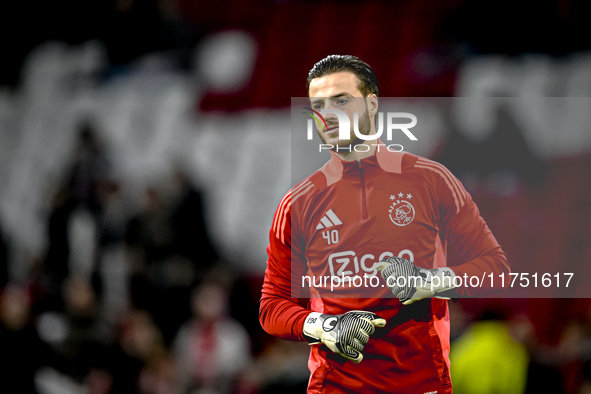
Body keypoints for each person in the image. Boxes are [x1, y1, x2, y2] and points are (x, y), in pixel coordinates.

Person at [259, 55, 510, 393]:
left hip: (420, 384)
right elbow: (271, 306)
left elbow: (495, 270)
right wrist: (324, 326)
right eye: (318, 105)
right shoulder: (298, 205)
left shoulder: (430, 181)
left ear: (372, 104)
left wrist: (428, 281)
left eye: (341, 100)